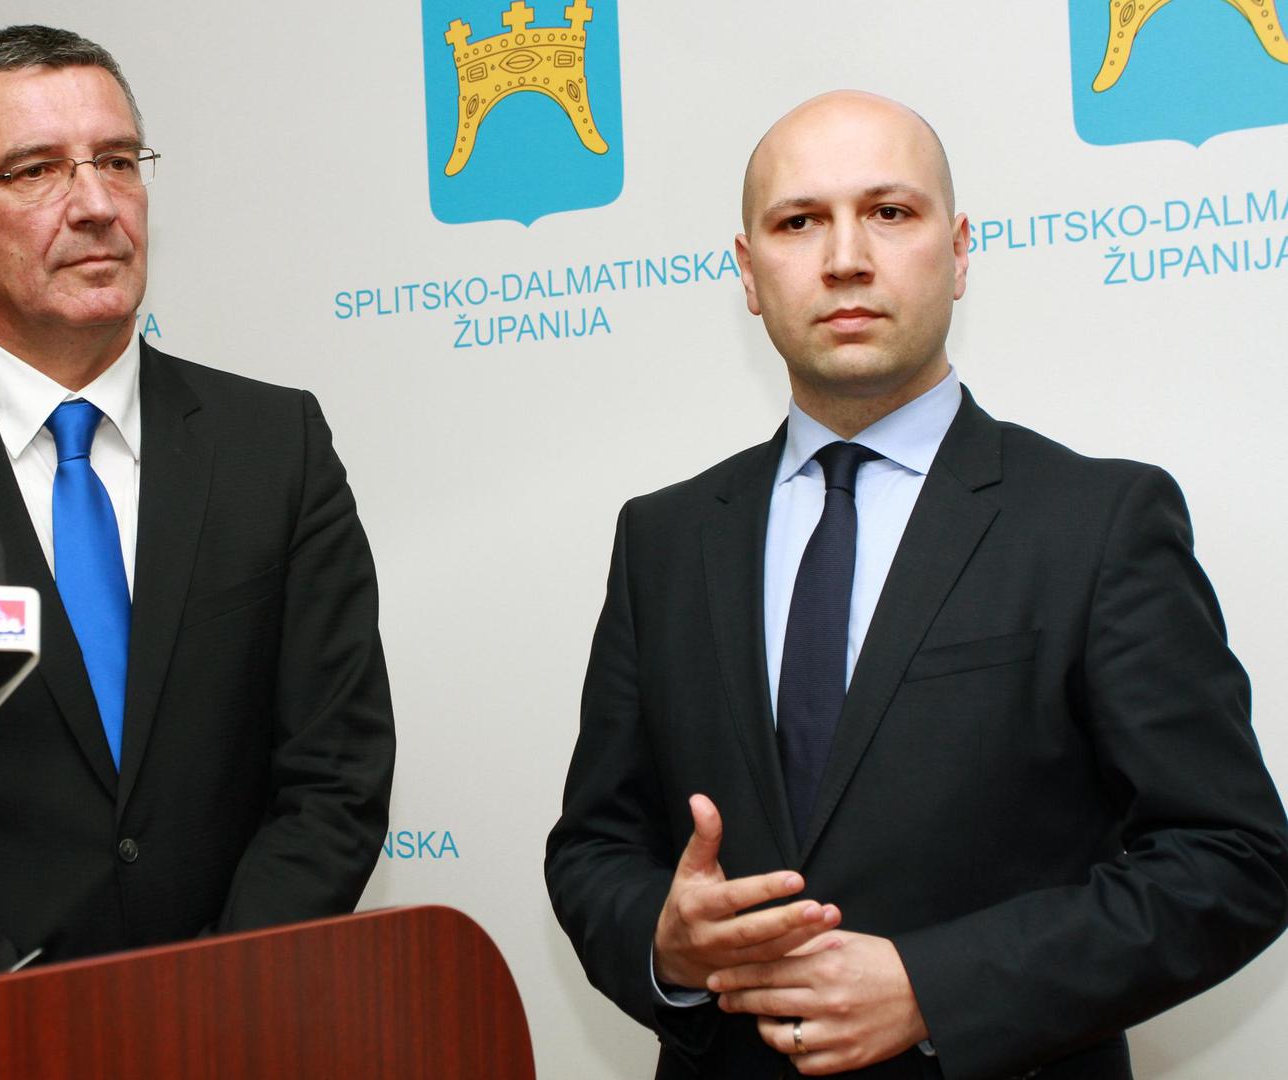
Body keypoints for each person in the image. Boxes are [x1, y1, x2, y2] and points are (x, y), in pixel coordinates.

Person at [545, 90, 1288, 1079]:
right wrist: (665, 943)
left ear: (959, 250)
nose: (844, 257)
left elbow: (1229, 859)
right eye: (798, 222)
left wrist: (934, 988)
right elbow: (593, 846)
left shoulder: (1096, 521)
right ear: (748, 274)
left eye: (888, 212)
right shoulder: (664, 539)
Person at [0, 25, 394, 969]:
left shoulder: (273, 443)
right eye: (36, 171)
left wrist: (210, 995)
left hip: (231, 1011)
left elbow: (336, 775)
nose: (96, 205)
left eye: (118, 161)